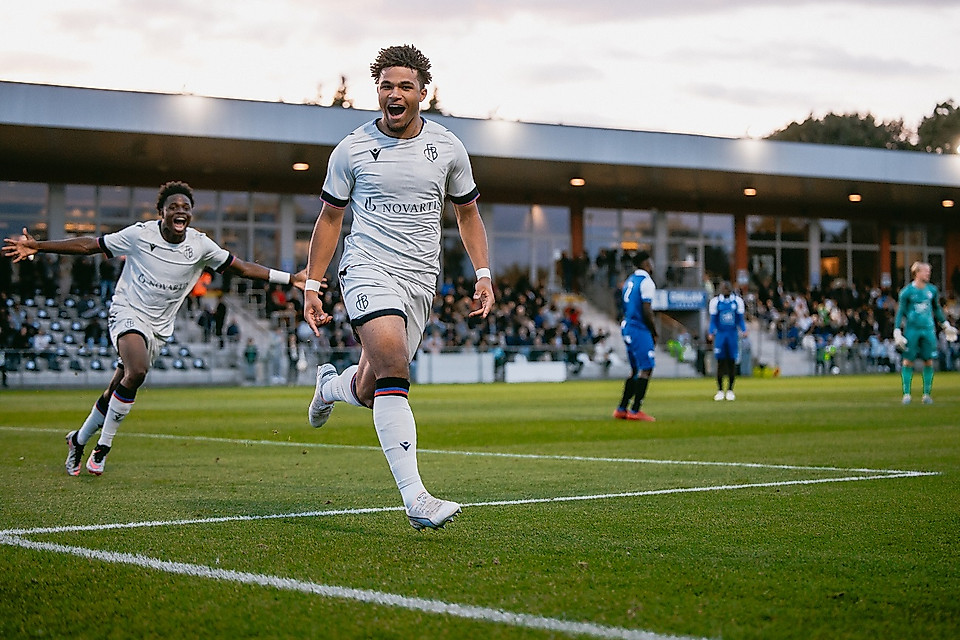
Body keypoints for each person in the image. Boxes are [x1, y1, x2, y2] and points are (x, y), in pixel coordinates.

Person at [302, 44, 495, 531]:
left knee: (372, 388)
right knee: (394, 367)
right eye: (386, 86)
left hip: (419, 280)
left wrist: (483, 274)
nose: (394, 94)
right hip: (366, 268)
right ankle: (416, 499)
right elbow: (330, 219)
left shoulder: (448, 148)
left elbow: (468, 213)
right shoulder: (351, 149)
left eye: (405, 86)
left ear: (421, 93)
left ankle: (330, 388)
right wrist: (312, 285)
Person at [2, 181, 306, 476]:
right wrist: (38, 246)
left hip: (160, 327)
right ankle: (103, 447)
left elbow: (242, 267)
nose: (180, 210)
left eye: (185, 207)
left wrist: (291, 279)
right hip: (127, 311)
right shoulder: (139, 235)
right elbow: (89, 245)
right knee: (137, 371)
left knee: (117, 387)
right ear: (161, 212)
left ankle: (78, 440)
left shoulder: (200, 245)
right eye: (173, 206)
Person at [893, 261, 957, 404]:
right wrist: (897, 330)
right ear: (917, 272)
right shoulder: (906, 292)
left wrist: (945, 325)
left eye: (929, 271)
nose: (928, 274)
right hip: (912, 329)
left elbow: (937, 309)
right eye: (925, 271)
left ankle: (926, 394)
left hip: (928, 329)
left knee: (928, 360)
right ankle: (907, 394)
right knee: (908, 360)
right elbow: (900, 311)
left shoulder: (932, 290)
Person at [613, 250, 657, 422]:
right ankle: (635, 410)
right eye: (650, 262)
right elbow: (647, 310)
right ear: (646, 264)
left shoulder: (630, 280)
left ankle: (622, 408)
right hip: (638, 327)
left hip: (627, 326)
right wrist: (654, 331)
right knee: (647, 368)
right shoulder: (647, 281)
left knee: (635, 369)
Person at [707, 281, 747, 401]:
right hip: (720, 334)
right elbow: (713, 320)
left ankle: (730, 390)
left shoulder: (737, 301)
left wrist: (744, 330)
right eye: (724, 288)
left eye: (727, 288)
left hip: (732, 334)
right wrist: (711, 332)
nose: (726, 290)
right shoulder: (715, 302)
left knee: (731, 362)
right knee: (720, 362)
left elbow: (740, 319)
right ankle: (720, 390)